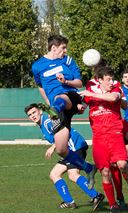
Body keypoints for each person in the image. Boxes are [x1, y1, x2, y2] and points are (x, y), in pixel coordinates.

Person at [80, 66, 128, 213]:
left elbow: (114, 98)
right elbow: (83, 104)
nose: (111, 82)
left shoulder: (115, 87)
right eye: (108, 79)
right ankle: (113, 204)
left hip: (114, 133)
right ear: (100, 80)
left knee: (122, 164)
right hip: (98, 136)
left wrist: (90, 94)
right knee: (105, 172)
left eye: (111, 79)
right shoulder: (91, 87)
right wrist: (80, 105)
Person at [31, 35, 96, 182]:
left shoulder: (67, 61)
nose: (65, 51)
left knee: (60, 98)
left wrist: (66, 81)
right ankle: (89, 168)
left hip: (70, 97)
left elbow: (79, 83)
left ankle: (56, 109)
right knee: (61, 149)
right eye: (63, 48)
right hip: (57, 107)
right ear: (53, 48)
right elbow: (40, 86)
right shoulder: (37, 66)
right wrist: (49, 103)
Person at [24, 103, 104, 210]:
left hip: (74, 146)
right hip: (68, 149)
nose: (33, 116)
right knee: (54, 174)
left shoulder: (47, 122)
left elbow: (64, 132)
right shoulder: (42, 124)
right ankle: (69, 201)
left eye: (34, 112)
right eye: (30, 115)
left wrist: (53, 147)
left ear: (40, 111)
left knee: (73, 175)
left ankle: (96, 195)